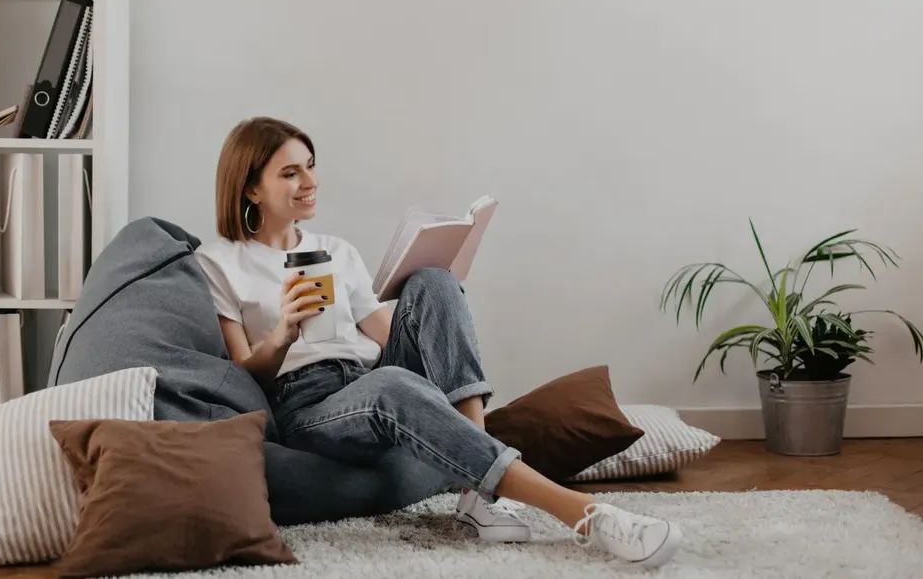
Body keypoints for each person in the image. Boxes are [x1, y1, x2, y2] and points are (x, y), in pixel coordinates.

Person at [194, 116, 683, 568]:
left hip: (369, 375)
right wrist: (283, 333)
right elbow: (241, 373)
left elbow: (380, 334)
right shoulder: (221, 263)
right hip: (304, 404)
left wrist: (439, 314)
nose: (310, 182)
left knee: (435, 280)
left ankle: (476, 491)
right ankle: (583, 513)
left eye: (311, 167)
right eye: (290, 173)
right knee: (391, 385)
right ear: (251, 187)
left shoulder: (337, 251)